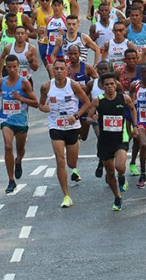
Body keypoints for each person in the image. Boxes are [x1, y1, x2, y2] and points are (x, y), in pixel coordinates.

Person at [39, 58, 92, 208]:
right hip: (55, 126)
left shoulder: (73, 85)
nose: (59, 71)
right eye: (56, 69)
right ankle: (66, 195)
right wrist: (45, 108)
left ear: (67, 70)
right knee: (60, 159)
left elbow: (87, 102)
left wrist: (75, 116)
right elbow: (40, 105)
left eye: (62, 68)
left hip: (72, 126)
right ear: (52, 70)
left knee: (71, 162)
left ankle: (77, 145)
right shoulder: (46, 87)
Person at [89, 73, 137, 210]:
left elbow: (133, 110)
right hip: (105, 141)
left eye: (112, 84)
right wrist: (94, 119)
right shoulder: (97, 101)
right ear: (102, 86)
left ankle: (122, 176)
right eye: (107, 85)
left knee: (120, 167)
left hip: (121, 138)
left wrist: (135, 126)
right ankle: (117, 197)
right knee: (110, 173)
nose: (110, 87)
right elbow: (88, 118)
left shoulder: (124, 98)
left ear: (116, 85)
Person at [0, 53, 40, 193]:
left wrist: (20, 98)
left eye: (15, 67)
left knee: (19, 150)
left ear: (18, 67)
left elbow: (36, 103)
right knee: (8, 147)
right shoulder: (1, 82)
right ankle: (11, 180)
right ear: (6, 68)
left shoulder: (24, 83)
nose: (12, 69)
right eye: (9, 67)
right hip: (6, 119)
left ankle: (18, 161)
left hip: (21, 120)